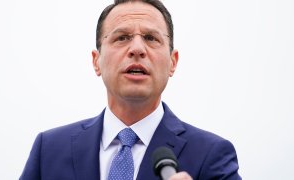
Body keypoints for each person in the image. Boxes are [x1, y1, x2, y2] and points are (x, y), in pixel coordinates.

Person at [20, 0, 241, 179]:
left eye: (151, 38)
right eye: (122, 37)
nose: (137, 49)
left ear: (173, 62)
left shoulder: (211, 154)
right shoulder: (49, 150)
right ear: (96, 62)